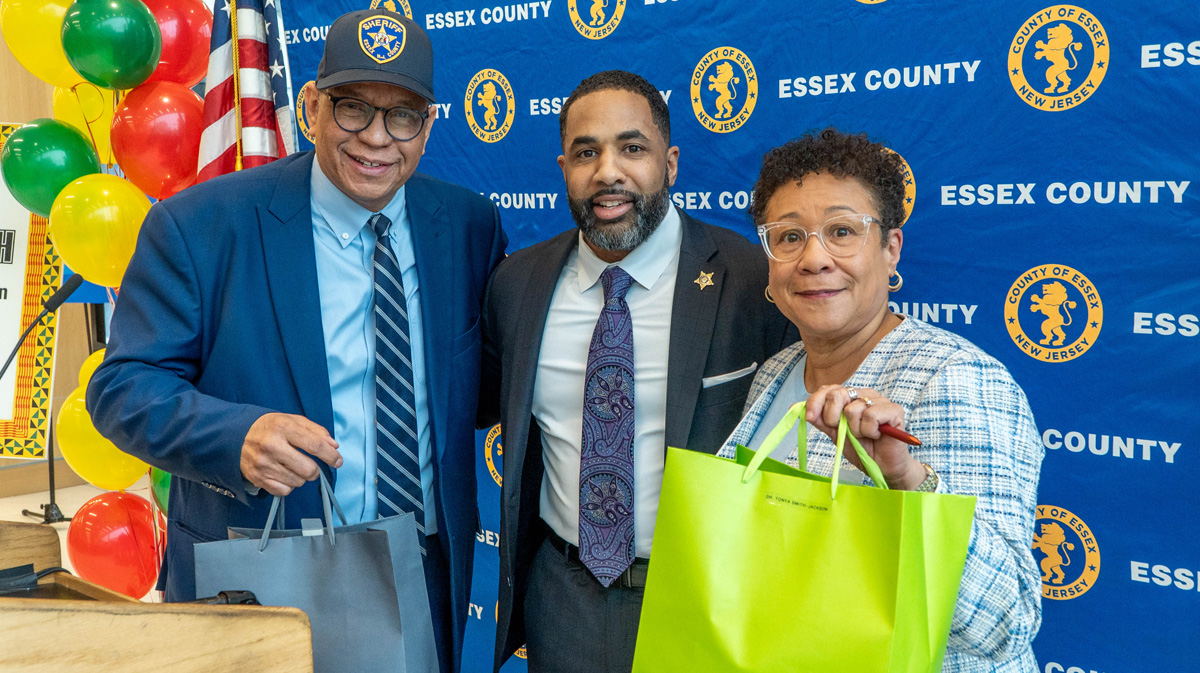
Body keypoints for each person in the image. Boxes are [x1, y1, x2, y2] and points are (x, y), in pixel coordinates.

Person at [86, 9, 505, 673]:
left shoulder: (467, 225)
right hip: (261, 566)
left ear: (427, 127)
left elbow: (479, 384)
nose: (377, 137)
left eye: (402, 116)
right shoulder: (200, 225)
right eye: (353, 107)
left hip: (423, 567)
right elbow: (122, 388)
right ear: (311, 106)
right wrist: (235, 436)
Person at [480, 70, 794, 673]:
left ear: (669, 164)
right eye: (585, 153)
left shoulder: (754, 281)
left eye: (632, 148)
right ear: (564, 168)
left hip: (708, 602)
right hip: (564, 600)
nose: (608, 172)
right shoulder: (517, 285)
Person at [717, 128, 1043, 671]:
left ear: (891, 250)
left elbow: (1006, 622)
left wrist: (906, 481)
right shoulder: (776, 371)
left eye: (842, 231)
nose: (814, 258)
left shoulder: (955, 377)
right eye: (789, 237)